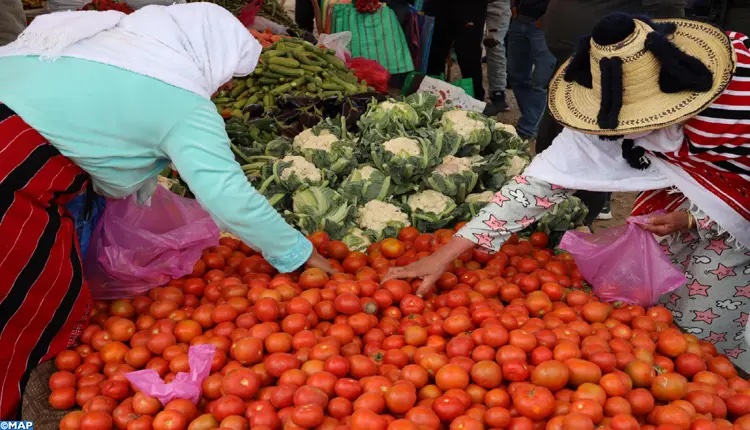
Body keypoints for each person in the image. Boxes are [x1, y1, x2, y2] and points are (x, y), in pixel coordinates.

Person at [0, 3, 333, 418]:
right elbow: (230, 196)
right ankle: (14, 421)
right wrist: (300, 255)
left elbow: (90, 124)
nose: (223, 86)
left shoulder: (102, 45)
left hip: (13, 153)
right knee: (28, 303)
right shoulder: (182, 101)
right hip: (12, 175)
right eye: (228, 75)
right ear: (212, 55)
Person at [386, 13, 750, 372]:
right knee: (664, 307)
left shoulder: (738, 102)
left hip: (735, 207)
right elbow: (538, 185)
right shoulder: (610, 90)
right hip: (683, 195)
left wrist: (697, 218)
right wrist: (445, 255)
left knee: (710, 330)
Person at [536, 0, 685, 224]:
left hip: (612, 78)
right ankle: (562, 220)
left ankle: (579, 223)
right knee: (552, 152)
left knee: (587, 159)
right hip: (574, 71)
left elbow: (670, 17)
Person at [506, 0, 556, 140]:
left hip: (542, 25)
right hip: (519, 20)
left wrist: (546, 17)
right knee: (516, 74)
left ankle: (528, 127)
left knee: (541, 82)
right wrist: (513, 6)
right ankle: (533, 120)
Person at [426, 0, 488, 102]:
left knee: (468, 55)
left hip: (471, 9)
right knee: (436, 54)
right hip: (440, 8)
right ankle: (433, 97)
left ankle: (475, 100)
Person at [484, 0, 512, 112]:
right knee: (469, 46)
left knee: (494, 44)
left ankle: (498, 92)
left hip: (498, 3)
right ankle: (472, 90)